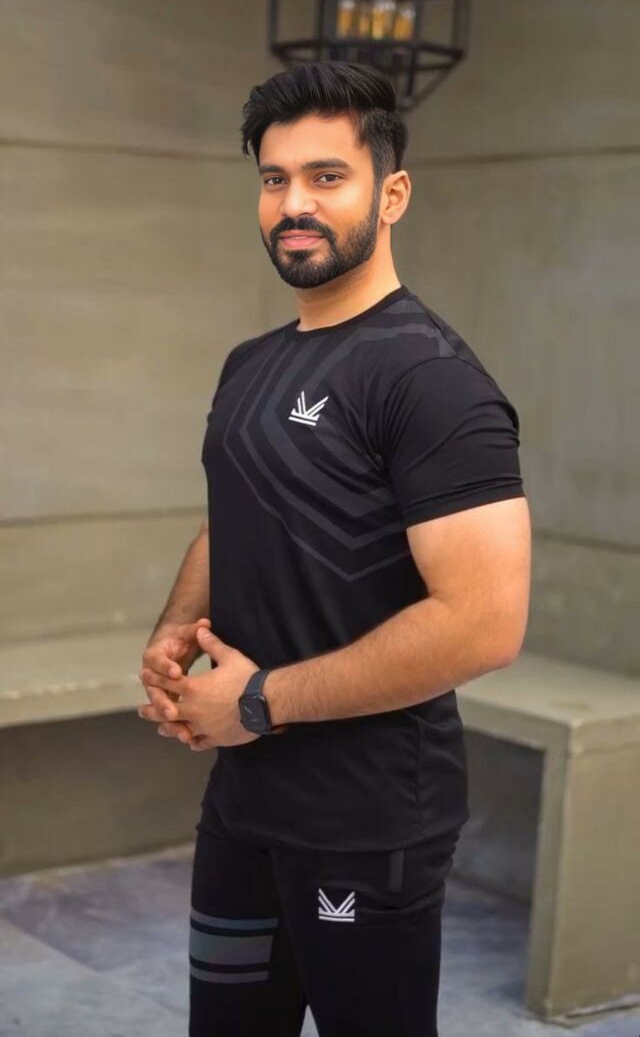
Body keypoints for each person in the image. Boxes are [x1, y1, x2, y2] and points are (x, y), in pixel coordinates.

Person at [137, 61, 531, 1037]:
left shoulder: (432, 380)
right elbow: (233, 514)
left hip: (368, 818)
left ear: (391, 194)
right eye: (275, 179)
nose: (293, 204)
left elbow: (484, 624)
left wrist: (258, 700)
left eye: (326, 176)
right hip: (244, 802)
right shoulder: (251, 364)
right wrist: (177, 630)